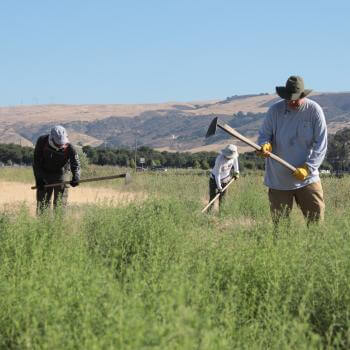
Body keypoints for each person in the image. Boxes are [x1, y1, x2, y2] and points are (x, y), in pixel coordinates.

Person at [257, 75, 327, 225]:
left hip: (307, 179)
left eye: (296, 98)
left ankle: (314, 249)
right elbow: (263, 135)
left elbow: (321, 144)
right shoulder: (274, 111)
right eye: (289, 98)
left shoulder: (314, 110)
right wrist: (265, 144)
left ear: (303, 94)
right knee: (280, 227)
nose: (292, 101)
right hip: (278, 181)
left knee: (316, 223)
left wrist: (308, 168)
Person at [33, 125, 81, 214]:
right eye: (58, 144)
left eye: (62, 143)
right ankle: (42, 225)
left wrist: (76, 177)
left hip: (62, 173)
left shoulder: (70, 147)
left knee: (60, 205)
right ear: (51, 139)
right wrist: (39, 179)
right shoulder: (42, 141)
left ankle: (59, 225)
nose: (61, 146)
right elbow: (36, 162)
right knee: (42, 205)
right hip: (44, 173)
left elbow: (76, 164)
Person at [208, 144, 240, 211]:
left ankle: (221, 214)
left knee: (223, 198)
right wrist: (219, 187)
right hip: (214, 179)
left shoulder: (234, 157)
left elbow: (235, 164)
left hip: (226, 179)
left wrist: (236, 172)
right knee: (212, 197)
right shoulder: (220, 159)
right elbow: (217, 174)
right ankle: (209, 212)